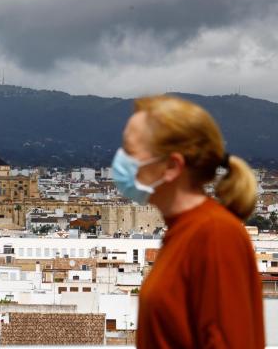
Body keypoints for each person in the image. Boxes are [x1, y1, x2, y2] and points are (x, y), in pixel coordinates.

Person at [111, 95, 264, 348]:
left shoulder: (215, 234)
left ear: (172, 166)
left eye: (129, 150)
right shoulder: (182, 233)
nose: (119, 161)